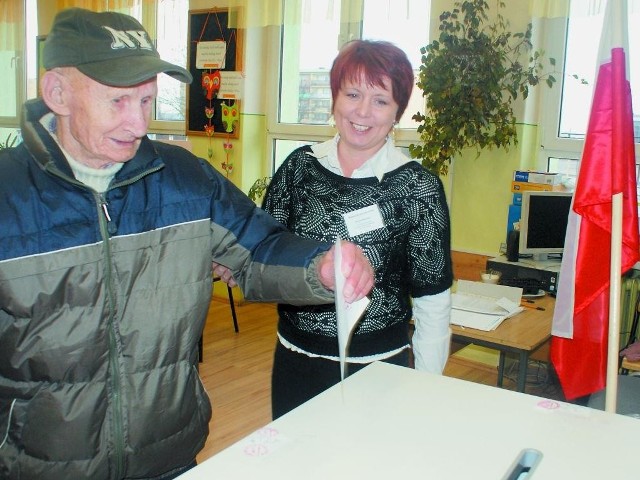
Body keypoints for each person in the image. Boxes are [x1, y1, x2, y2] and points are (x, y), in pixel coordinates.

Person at [0, 9, 374, 480]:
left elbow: (258, 250)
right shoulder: (7, 195)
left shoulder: (186, 181)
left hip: (168, 457)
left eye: (147, 101)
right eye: (117, 102)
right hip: (36, 467)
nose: (138, 125)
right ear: (57, 92)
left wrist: (319, 267)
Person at [262, 39, 454, 419]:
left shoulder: (418, 188)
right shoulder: (299, 169)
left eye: (381, 100)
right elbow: (265, 257)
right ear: (334, 98)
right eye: (352, 94)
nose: (363, 112)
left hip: (379, 372)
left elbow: (433, 301)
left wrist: (425, 388)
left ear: (397, 111)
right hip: (296, 363)